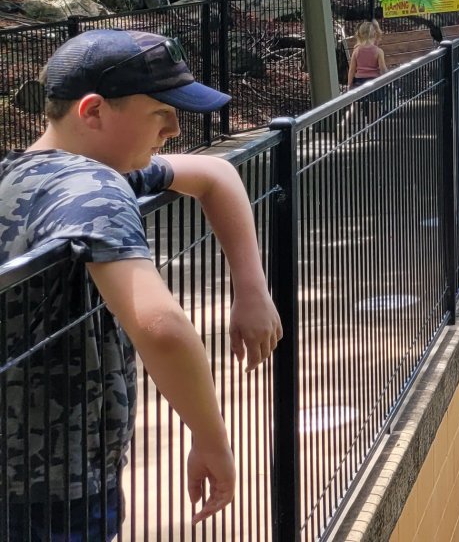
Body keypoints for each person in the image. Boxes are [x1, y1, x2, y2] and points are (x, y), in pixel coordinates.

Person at [1, 30, 283, 538]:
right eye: (160, 112)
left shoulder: (32, 174)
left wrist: (252, 289)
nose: (176, 128)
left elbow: (215, 173)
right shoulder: (93, 188)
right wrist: (212, 440)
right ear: (93, 112)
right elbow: (161, 325)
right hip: (52, 493)